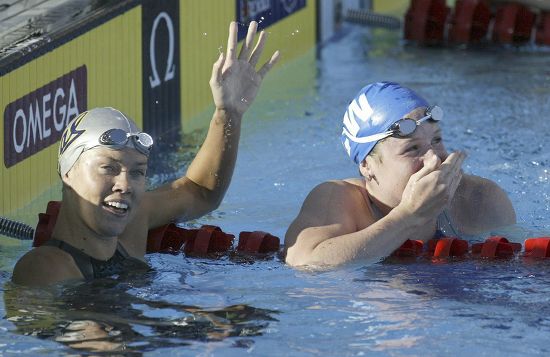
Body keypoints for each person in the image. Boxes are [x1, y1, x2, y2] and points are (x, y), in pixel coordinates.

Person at [12, 21, 279, 286]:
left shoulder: (132, 226)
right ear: (67, 172)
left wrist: (228, 113)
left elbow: (200, 192)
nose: (125, 185)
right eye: (109, 168)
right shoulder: (43, 268)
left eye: (137, 171)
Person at [284, 82, 516, 267]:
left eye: (436, 140)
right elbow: (303, 262)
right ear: (367, 166)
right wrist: (409, 215)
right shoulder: (338, 199)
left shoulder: (479, 200)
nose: (434, 158)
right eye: (412, 148)